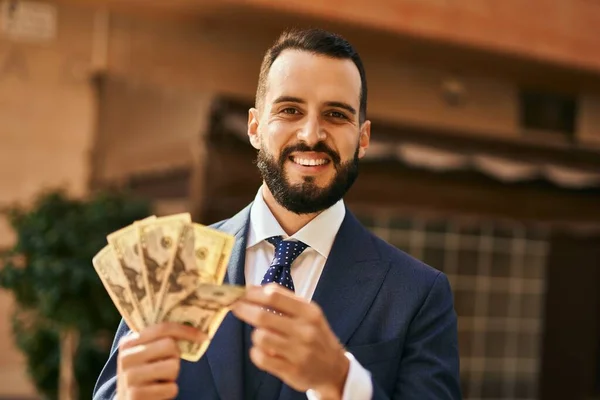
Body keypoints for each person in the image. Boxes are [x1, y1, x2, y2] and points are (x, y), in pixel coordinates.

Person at [93, 28, 461, 400]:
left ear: (363, 138)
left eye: (336, 114)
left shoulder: (418, 294)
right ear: (254, 127)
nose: (311, 134)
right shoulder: (172, 265)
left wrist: (341, 381)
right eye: (290, 110)